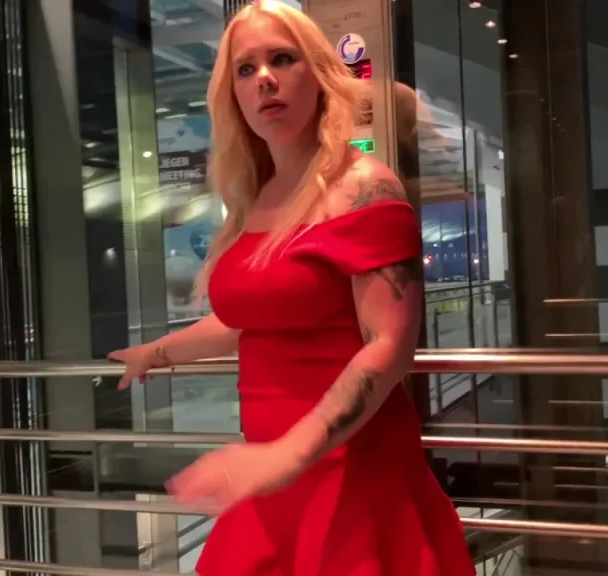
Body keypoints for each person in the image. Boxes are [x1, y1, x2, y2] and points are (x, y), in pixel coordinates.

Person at [108, 1, 473, 574]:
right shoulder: (255, 197)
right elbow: (249, 319)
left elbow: (389, 343)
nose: (265, 79)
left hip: (351, 473)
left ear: (320, 74)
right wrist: (155, 352)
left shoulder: (364, 188)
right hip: (269, 476)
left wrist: (287, 455)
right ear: (232, 94)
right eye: (245, 69)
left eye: (282, 59)